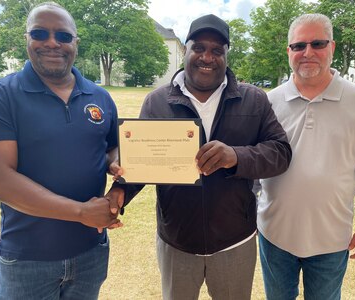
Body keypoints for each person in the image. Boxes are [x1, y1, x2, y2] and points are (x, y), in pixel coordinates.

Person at [110, 14, 292, 300]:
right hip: (177, 241)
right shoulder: (157, 101)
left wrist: (236, 156)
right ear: (186, 50)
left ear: (226, 56)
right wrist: (120, 191)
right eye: (199, 48)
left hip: (235, 241)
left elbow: (280, 153)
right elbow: (141, 163)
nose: (207, 57)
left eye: (217, 50)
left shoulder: (254, 99)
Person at [0, 2, 123, 299]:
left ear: (75, 43)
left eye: (63, 36)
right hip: (28, 258)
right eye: (40, 33)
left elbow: (109, 149)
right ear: (26, 39)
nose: (52, 42)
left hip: (91, 252)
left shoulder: (100, 97)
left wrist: (115, 163)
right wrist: (81, 212)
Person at [257, 13, 355, 300]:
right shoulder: (270, 102)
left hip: (331, 239)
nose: (307, 53)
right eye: (298, 46)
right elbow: (255, 162)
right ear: (289, 51)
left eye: (317, 44)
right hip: (274, 235)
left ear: (332, 47)